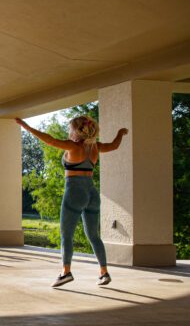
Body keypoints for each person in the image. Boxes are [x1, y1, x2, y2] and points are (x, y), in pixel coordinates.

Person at [15, 116, 129, 287]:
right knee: (94, 236)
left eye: (70, 129)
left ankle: (66, 272)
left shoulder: (73, 146)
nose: (69, 132)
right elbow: (114, 145)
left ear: (76, 130)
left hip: (75, 192)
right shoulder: (95, 147)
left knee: (66, 235)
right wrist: (121, 133)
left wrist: (27, 127)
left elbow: (50, 140)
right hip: (92, 193)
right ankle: (104, 273)